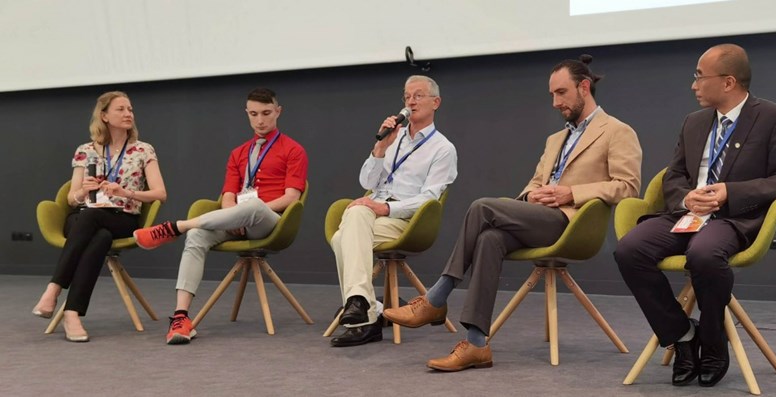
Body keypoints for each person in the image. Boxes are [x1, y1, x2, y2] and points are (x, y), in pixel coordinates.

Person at [383, 56, 642, 370]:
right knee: (490, 239)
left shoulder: (616, 131)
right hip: (540, 216)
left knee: (482, 207)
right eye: (552, 95)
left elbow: (628, 187)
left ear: (584, 87)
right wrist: (532, 194)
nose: (555, 102)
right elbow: (533, 183)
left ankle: (437, 298)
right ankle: (477, 345)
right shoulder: (556, 139)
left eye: (561, 93)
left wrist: (570, 193)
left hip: (573, 224)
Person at [614, 44, 776, 388]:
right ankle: (683, 336)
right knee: (630, 250)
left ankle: (715, 342)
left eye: (700, 76)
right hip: (687, 214)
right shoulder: (694, 122)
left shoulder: (774, 118)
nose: (694, 85)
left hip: (732, 218)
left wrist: (730, 191)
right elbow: (673, 175)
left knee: (703, 254)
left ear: (729, 82)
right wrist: (687, 196)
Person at [132, 88, 308, 345]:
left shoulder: (293, 149)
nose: (260, 120)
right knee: (196, 235)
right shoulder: (238, 153)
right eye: (254, 114)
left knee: (256, 206)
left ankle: (175, 226)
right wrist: (233, 216)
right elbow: (228, 195)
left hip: (269, 222)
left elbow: (292, 197)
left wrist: (244, 214)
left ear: (278, 111)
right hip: (235, 220)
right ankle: (181, 318)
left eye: (267, 113)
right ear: (247, 114)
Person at [329, 75, 458, 347]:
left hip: (407, 220)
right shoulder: (394, 139)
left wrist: (384, 207)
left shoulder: (443, 149)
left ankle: (364, 312)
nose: (411, 101)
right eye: (407, 96)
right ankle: (365, 307)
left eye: (418, 95)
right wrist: (379, 148)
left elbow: (429, 200)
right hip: (375, 212)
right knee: (350, 226)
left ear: (436, 102)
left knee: (350, 227)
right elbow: (367, 183)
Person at [32, 91, 168, 342]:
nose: (128, 114)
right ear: (104, 116)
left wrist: (125, 191)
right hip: (84, 216)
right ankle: (72, 314)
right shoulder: (85, 150)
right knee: (98, 235)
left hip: (121, 217)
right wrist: (84, 190)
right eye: (121, 109)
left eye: (130, 109)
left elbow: (160, 194)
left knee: (96, 222)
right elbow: (71, 199)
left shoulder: (143, 150)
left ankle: (53, 290)